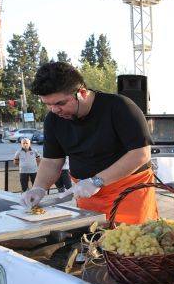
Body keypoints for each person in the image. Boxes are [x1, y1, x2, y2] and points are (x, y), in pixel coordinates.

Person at [21, 62, 158, 224]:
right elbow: (52, 161)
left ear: (83, 93)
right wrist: (39, 187)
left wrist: (97, 181)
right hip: (87, 196)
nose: (54, 110)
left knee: (130, 244)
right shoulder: (53, 120)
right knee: (91, 242)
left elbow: (140, 154)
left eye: (60, 103)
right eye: (48, 104)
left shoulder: (119, 107)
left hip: (129, 194)